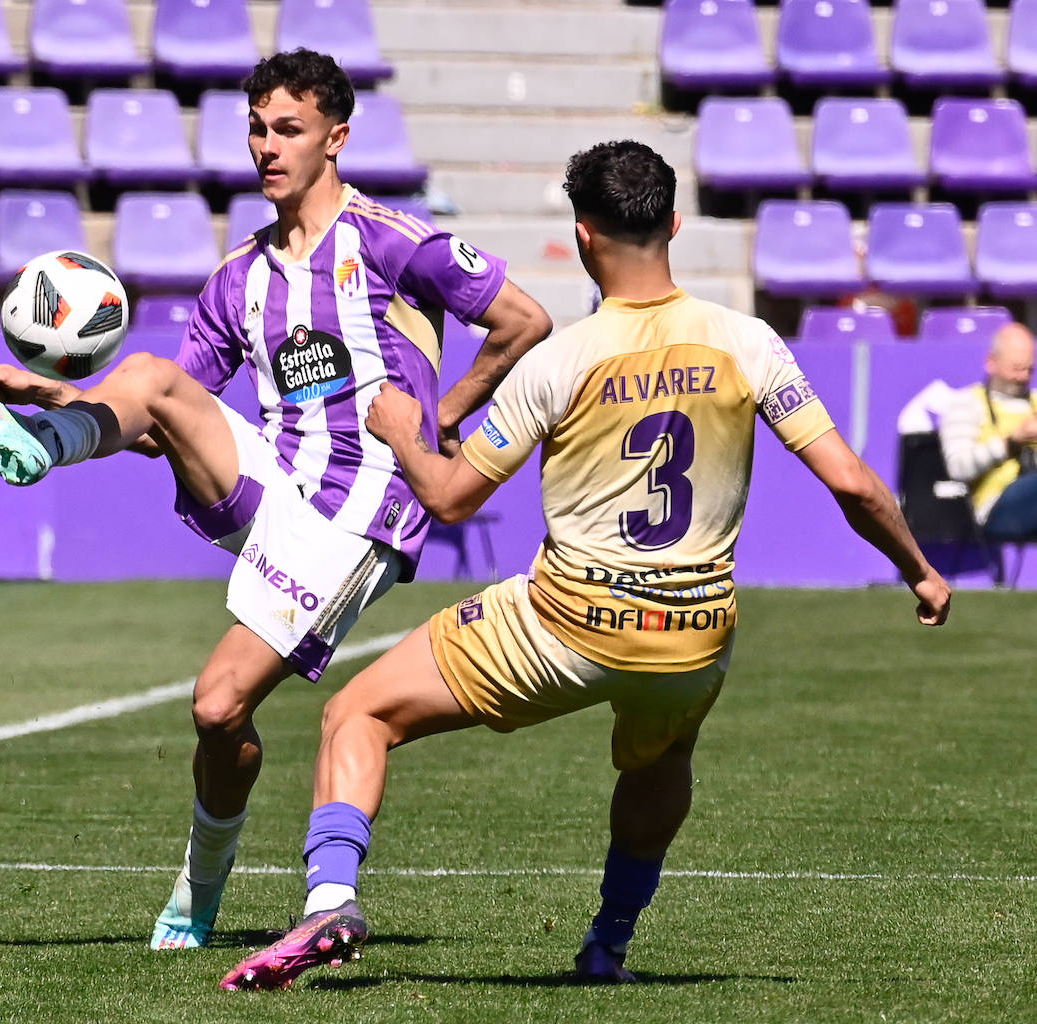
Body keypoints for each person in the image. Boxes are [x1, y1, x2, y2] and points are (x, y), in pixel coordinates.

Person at [220, 140, 952, 991]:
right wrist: (921, 572)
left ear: (580, 238)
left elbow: (451, 498)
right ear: (673, 224)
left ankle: (329, 902)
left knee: (358, 714)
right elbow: (854, 485)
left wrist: (401, 435)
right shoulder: (748, 342)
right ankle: (607, 946)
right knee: (660, 758)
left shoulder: (559, 362)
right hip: (691, 637)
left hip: (564, 625)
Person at [0, 48, 552, 950]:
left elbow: (523, 320)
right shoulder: (237, 280)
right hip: (275, 491)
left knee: (219, 707)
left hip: (361, 508)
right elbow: (162, 416)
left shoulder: (389, 241)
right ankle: (44, 443)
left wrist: (437, 423)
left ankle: (196, 893)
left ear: (336, 137)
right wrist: (68, 397)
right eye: (256, 129)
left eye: (288, 130)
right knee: (146, 375)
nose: (267, 147)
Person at [938, 323, 1037, 544]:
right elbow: (958, 467)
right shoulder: (968, 402)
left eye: (1030, 370)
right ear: (991, 362)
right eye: (1017, 368)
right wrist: (1011, 442)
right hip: (995, 507)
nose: (1023, 377)